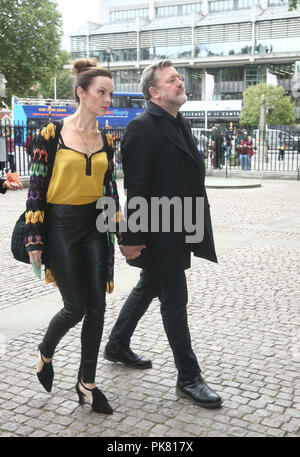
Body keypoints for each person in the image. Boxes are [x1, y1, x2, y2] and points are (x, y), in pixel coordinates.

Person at [104, 60, 222, 409]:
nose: (179, 83)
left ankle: (116, 344)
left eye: (178, 79)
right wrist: (130, 236)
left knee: (149, 285)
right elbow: (137, 189)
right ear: (154, 91)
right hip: (158, 231)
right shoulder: (142, 127)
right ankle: (188, 377)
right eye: (172, 80)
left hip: (178, 226)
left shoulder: (177, 121)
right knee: (175, 300)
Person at [25, 58, 121, 415]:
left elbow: (109, 189)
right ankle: (45, 352)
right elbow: (35, 188)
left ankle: (87, 384)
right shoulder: (50, 135)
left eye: (110, 93)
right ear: (81, 93)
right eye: (101, 92)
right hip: (61, 227)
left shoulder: (106, 139)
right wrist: (35, 238)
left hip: (96, 226)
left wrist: (118, 229)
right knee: (75, 306)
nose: (107, 99)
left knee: (97, 306)